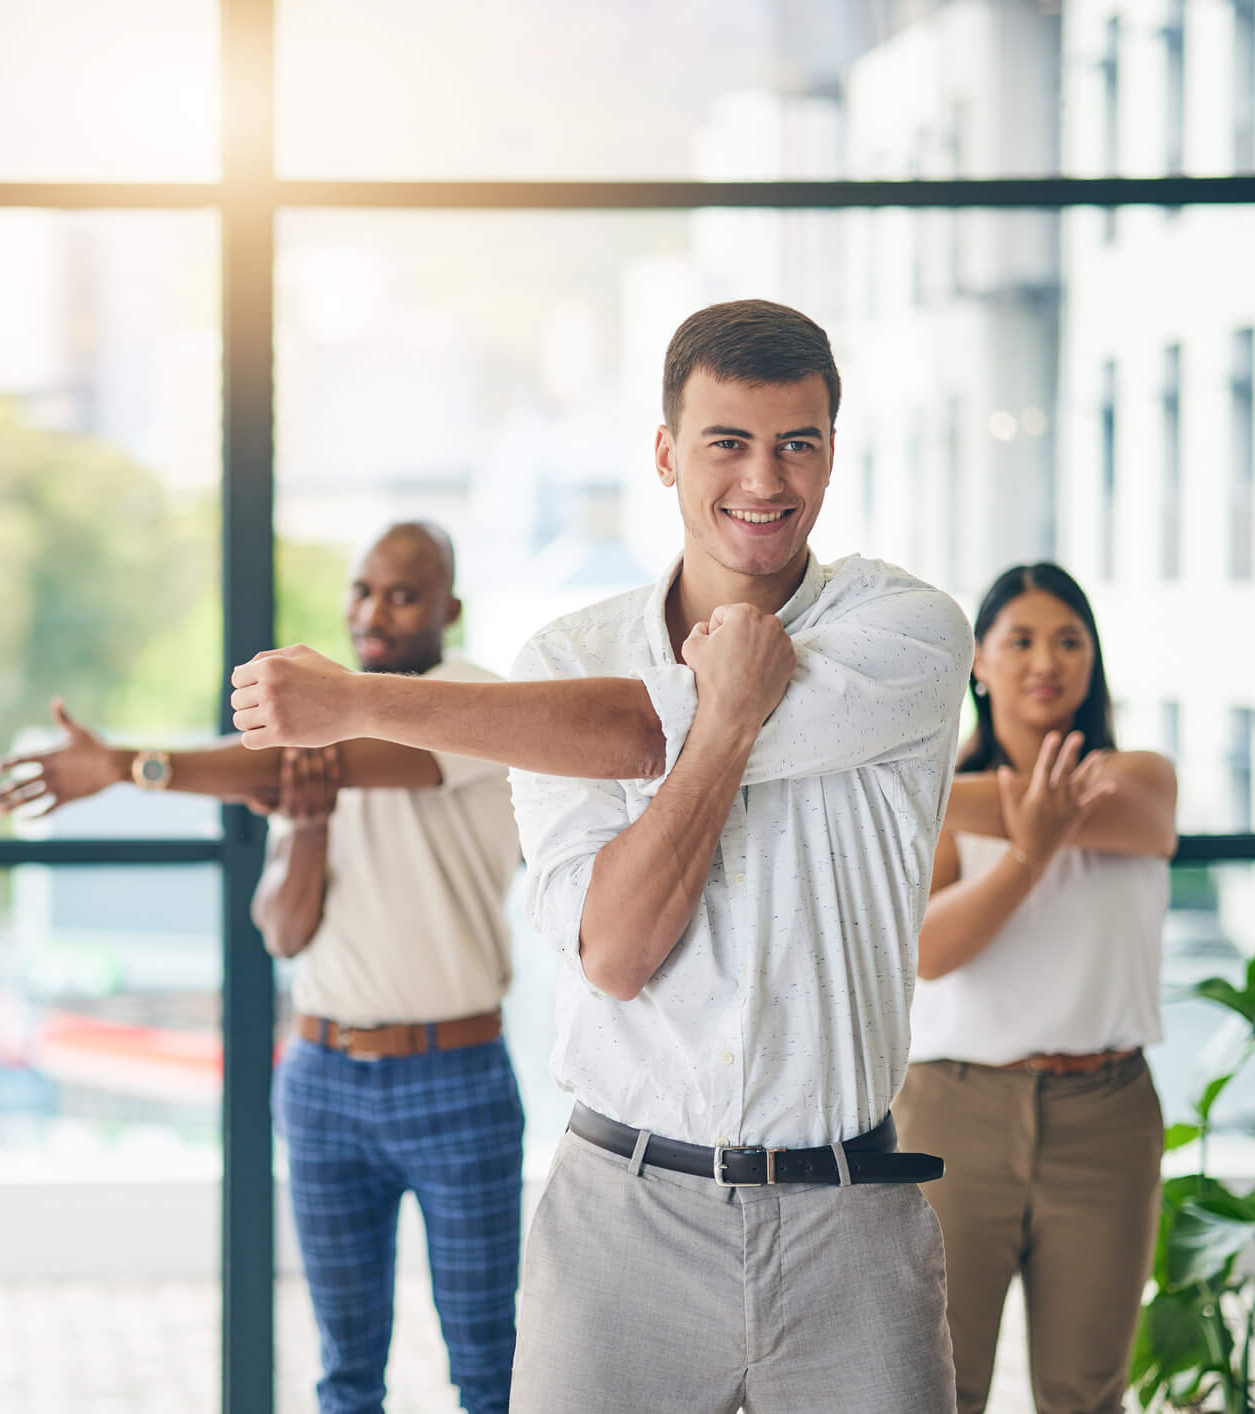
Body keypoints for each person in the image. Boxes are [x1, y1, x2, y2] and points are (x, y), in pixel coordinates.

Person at [225, 300, 973, 1412]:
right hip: (622, 1222)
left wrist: (352, 703)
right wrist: (725, 723)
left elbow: (638, 725)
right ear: (666, 452)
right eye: (727, 440)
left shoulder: (904, 632)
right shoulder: (563, 660)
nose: (764, 479)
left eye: (796, 442)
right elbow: (616, 953)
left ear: (830, 451)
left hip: (848, 1226)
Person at [0, 522, 525, 1414]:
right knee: (345, 1375)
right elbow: (282, 927)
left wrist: (125, 766)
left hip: (455, 1079)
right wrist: (307, 824)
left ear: (449, 610)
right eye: (362, 590)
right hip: (323, 1080)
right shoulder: (318, 741)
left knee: (487, 1369)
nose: (374, 611)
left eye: (403, 594)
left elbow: (346, 765)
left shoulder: (466, 699)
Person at [894, 563, 1178, 1414]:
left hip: (1108, 1114)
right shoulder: (945, 801)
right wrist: (1030, 848)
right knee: (940, 1386)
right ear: (978, 661)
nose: (1044, 659)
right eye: (1019, 641)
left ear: (1092, 659)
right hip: (955, 1113)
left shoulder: (1141, 778)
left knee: (1086, 1392)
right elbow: (931, 953)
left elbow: (1133, 820)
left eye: (1068, 639)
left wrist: (943, 797)